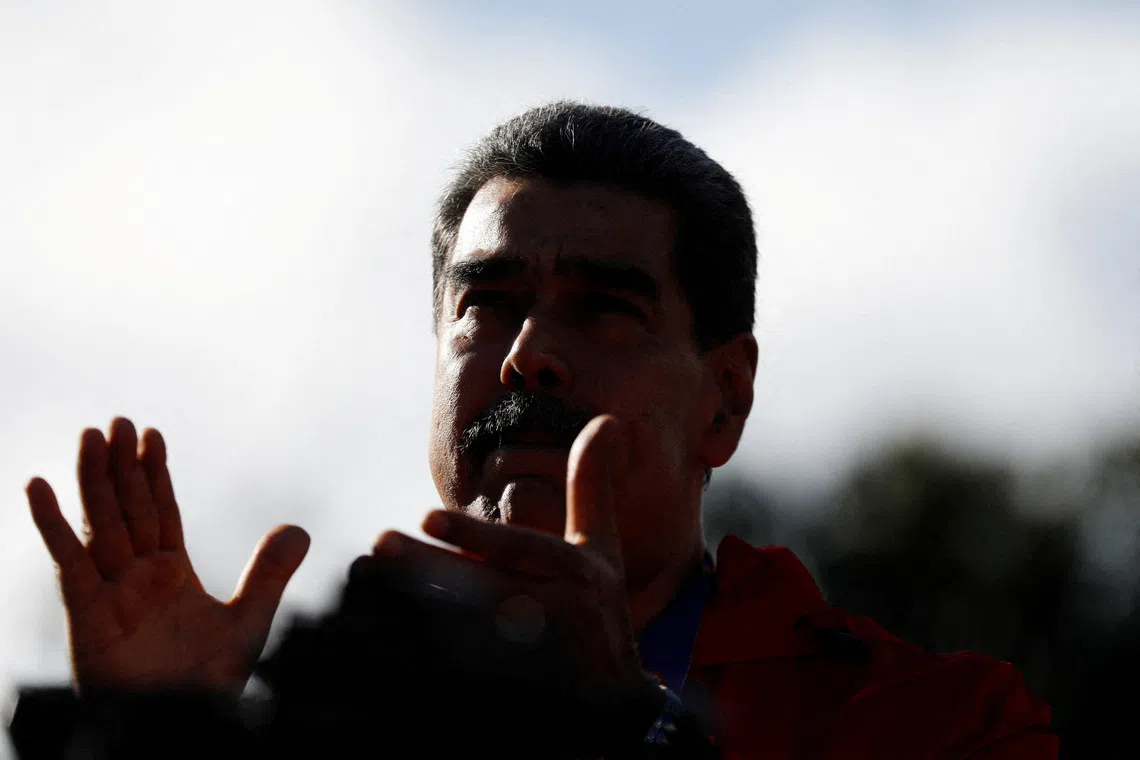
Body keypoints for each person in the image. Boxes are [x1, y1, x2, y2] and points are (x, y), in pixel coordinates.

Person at [21, 102, 1057, 758]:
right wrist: (155, 737)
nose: (527, 355)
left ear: (726, 399)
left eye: (605, 306)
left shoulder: (933, 722)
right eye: (489, 301)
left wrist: (635, 732)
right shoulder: (296, 722)